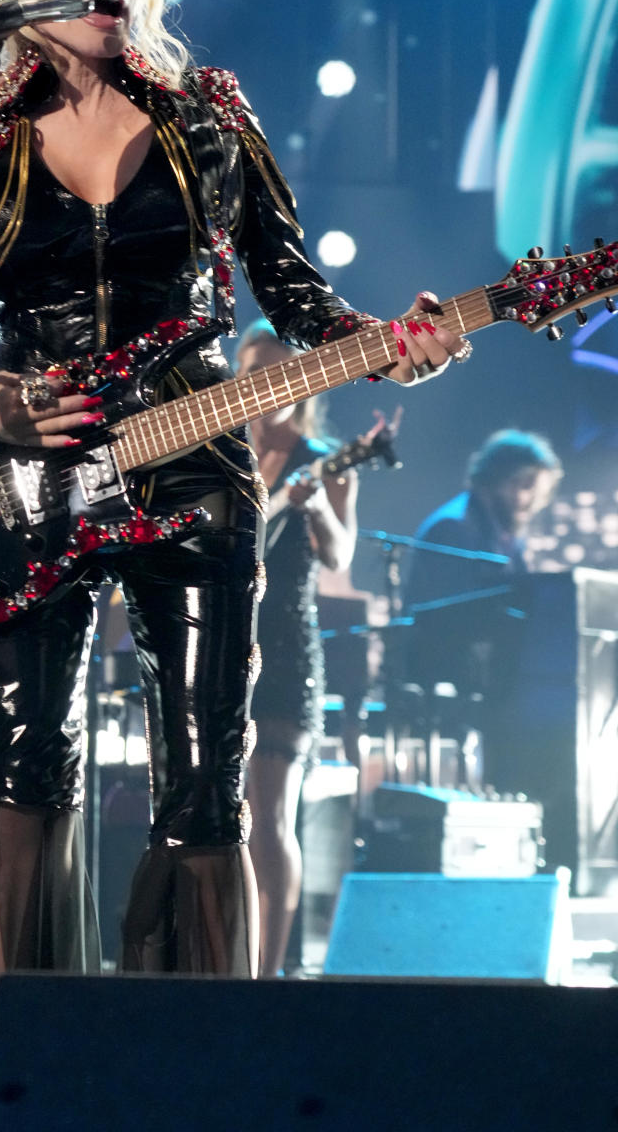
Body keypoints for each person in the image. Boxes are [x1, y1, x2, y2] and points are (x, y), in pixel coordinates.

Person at [0, 0, 466, 1033]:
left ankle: (195, 1074)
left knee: (204, 790)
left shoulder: (208, 112)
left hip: (197, 468)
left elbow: (299, 299)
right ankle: (34, 1064)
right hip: (22, 483)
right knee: (26, 777)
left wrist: (397, 349)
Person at [235, 320, 358, 977]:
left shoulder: (325, 459)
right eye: (252, 368)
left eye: (278, 371)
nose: (263, 384)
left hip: (284, 647)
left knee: (273, 813)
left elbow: (340, 555)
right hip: (222, 644)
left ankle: (267, 970)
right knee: (226, 815)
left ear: (303, 382)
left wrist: (315, 509)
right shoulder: (219, 451)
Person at [403, 429, 562, 782]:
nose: (527, 499)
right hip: (450, 675)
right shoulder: (454, 526)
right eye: (521, 485)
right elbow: (450, 619)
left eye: (534, 488)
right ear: (493, 478)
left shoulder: (501, 532)